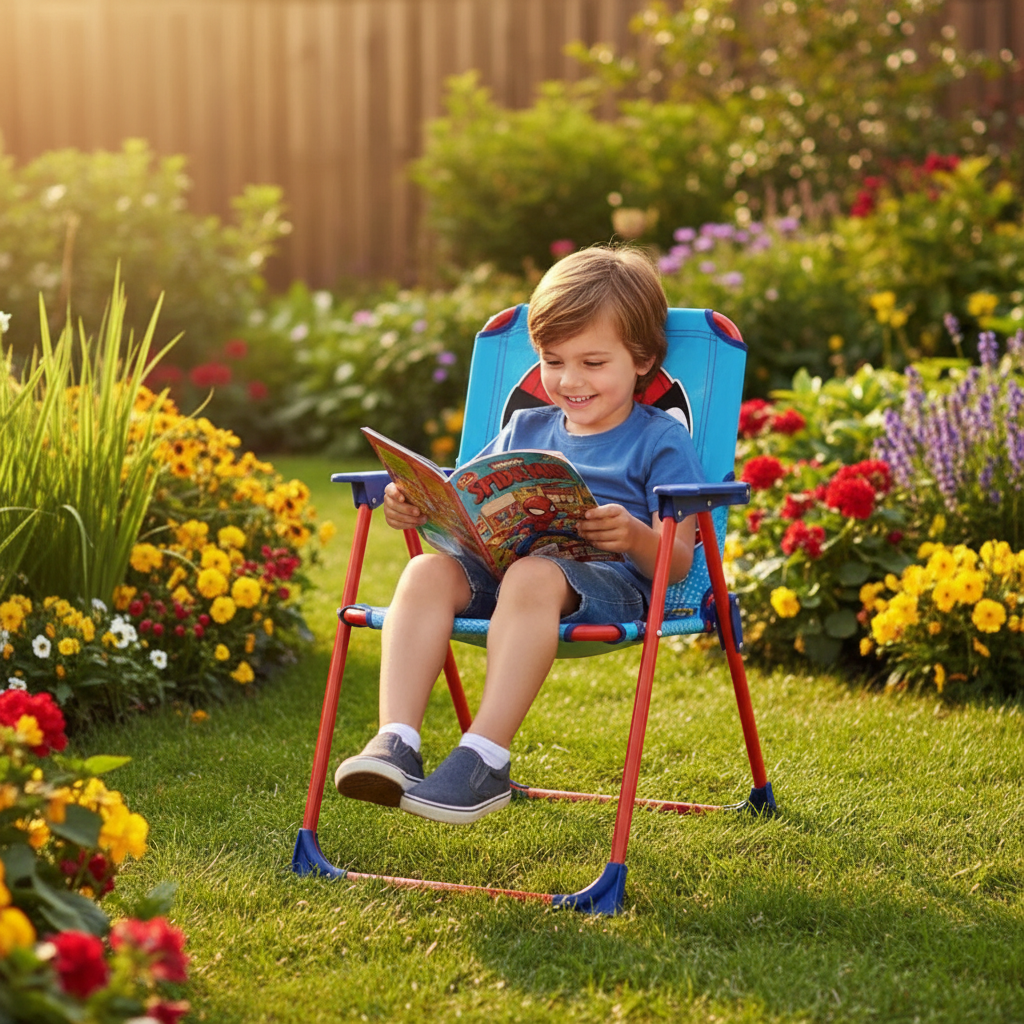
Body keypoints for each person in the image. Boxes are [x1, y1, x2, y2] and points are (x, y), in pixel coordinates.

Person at [334, 245, 704, 824]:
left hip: (608, 585)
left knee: (534, 574)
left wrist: (633, 536)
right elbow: (465, 497)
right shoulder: (525, 426)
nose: (569, 380)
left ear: (643, 359)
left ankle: (484, 758)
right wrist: (417, 506)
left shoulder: (660, 441)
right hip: (505, 573)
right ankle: (397, 743)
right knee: (424, 571)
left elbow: (677, 565)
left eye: (592, 362)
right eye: (553, 361)